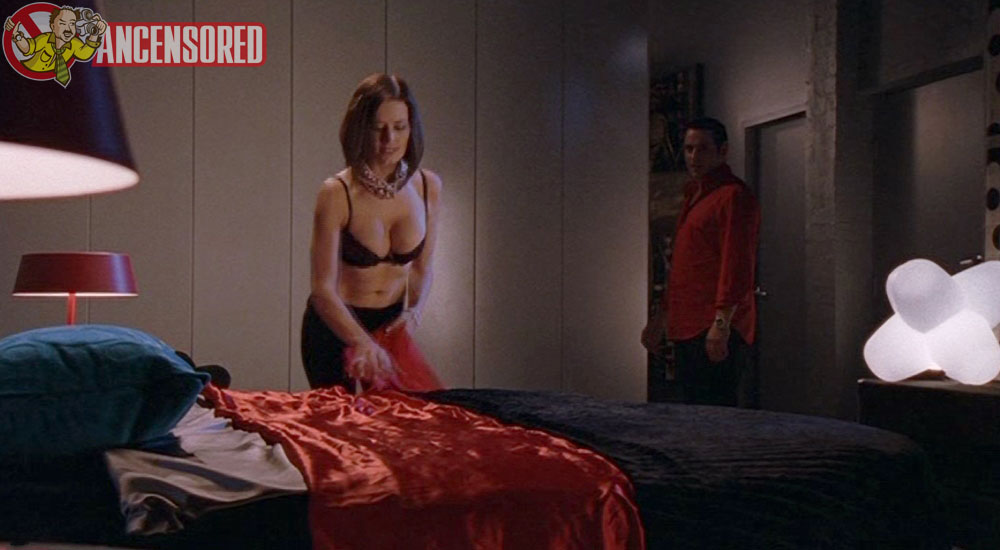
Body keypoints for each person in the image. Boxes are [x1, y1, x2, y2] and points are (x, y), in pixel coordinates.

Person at [302, 73, 442, 391]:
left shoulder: (428, 186)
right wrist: (362, 342)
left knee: (403, 418)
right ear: (361, 129)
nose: (389, 139)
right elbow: (322, 289)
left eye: (399, 127)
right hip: (334, 330)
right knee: (339, 420)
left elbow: (422, 268)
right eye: (379, 128)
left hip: (390, 329)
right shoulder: (336, 193)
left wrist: (414, 314)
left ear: (412, 129)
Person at [641, 117, 760, 406]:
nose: (694, 157)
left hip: (711, 325)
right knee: (694, 408)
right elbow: (685, 268)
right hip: (689, 323)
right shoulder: (696, 195)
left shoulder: (733, 196)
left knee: (714, 411)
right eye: (689, 149)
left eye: (703, 148)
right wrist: (662, 316)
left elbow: (736, 264)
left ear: (723, 150)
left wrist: (722, 323)